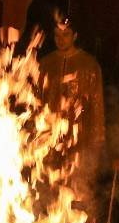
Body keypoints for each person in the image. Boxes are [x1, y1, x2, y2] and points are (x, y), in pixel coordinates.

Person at [38, 19, 106, 208]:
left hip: (79, 137)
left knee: (77, 187)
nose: (60, 39)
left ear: (75, 36)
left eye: (66, 34)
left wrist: (98, 138)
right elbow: (35, 100)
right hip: (49, 137)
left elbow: (97, 103)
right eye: (57, 35)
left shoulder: (89, 65)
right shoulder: (46, 64)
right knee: (49, 185)